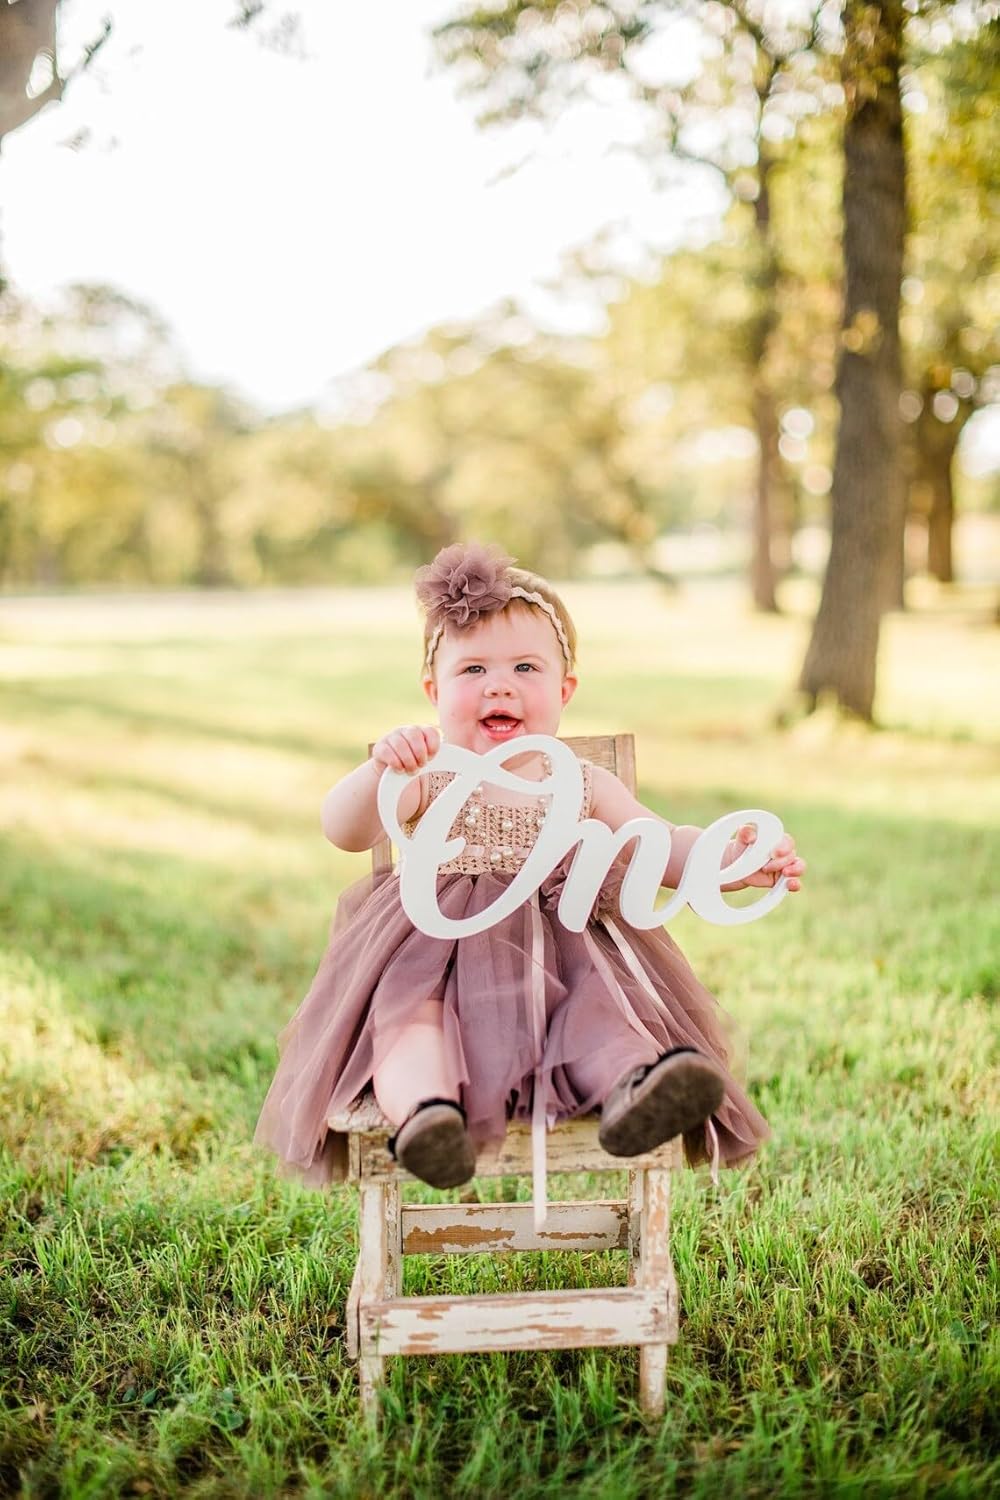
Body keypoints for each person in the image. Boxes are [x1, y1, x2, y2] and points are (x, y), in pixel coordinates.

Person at [254, 542, 805, 1196]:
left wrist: (725, 864)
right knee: (410, 1023)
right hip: (436, 958)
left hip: (566, 960)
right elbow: (343, 829)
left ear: (564, 690)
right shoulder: (430, 777)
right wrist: (382, 770)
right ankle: (427, 1118)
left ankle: (639, 1089)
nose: (499, 684)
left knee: (607, 1011)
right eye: (473, 669)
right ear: (433, 692)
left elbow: (658, 843)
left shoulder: (583, 783)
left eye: (524, 666)